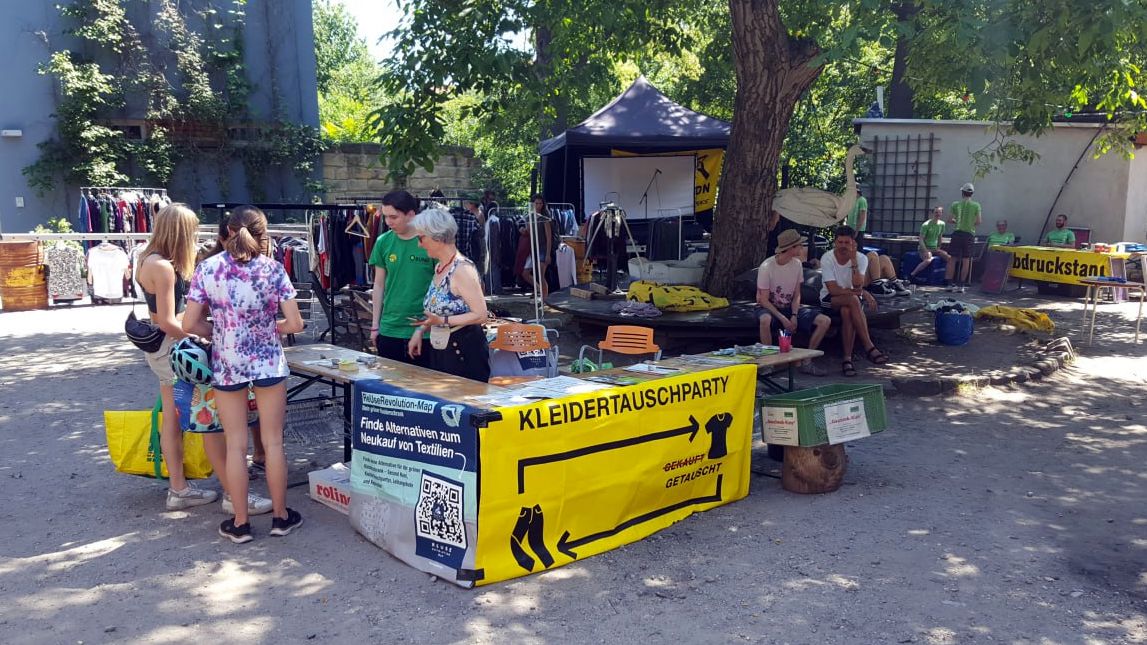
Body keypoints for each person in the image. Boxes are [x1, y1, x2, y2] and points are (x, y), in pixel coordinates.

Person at [183, 205, 305, 544]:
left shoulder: (208, 269)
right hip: (268, 363)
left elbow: (188, 323)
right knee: (273, 442)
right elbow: (295, 324)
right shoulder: (274, 269)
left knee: (235, 445)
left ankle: (240, 523)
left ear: (228, 231)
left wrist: (219, 330)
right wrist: (268, 328)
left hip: (227, 363)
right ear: (263, 235)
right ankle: (281, 517)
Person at [136, 203, 219, 511]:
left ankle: (179, 486)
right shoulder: (163, 267)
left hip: (161, 348)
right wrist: (204, 334)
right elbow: (168, 321)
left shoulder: (149, 258)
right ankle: (179, 490)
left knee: (171, 417)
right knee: (176, 418)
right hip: (170, 348)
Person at [407, 207, 491, 382]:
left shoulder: (462, 269)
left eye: (421, 238)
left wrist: (442, 322)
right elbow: (438, 312)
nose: (419, 244)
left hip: (463, 351)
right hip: (443, 348)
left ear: (437, 237)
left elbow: (481, 315)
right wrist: (421, 330)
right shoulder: (440, 267)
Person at [369, 190, 435, 365]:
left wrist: (429, 324)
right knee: (390, 387)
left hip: (424, 329)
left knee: (423, 387)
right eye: (385, 217)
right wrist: (375, 325)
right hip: (390, 327)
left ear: (411, 215)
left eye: (393, 217)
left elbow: (441, 285)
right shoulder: (383, 241)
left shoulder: (430, 242)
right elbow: (379, 285)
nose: (388, 222)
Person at [755, 229, 831, 376]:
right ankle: (769, 362)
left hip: (789, 306)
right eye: (799, 245)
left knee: (824, 321)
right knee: (765, 320)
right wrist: (783, 319)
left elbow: (797, 293)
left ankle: (807, 361)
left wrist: (794, 315)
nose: (802, 248)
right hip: (770, 307)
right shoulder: (767, 266)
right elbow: (763, 299)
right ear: (790, 248)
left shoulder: (797, 264)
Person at [820, 226, 888, 377]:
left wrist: (853, 261)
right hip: (829, 300)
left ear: (853, 243)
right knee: (852, 300)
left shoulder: (861, 258)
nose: (843, 246)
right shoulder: (827, 258)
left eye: (846, 242)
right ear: (835, 243)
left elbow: (858, 284)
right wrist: (861, 292)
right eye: (840, 242)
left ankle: (847, 359)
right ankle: (869, 346)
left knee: (847, 311)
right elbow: (833, 290)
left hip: (850, 300)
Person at [946, 182, 982, 292]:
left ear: (962, 192)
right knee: (966, 260)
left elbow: (949, 219)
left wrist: (957, 221)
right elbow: (979, 221)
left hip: (957, 233)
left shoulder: (955, 204)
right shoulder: (976, 205)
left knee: (952, 259)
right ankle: (961, 285)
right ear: (972, 194)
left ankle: (949, 284)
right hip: (969, 234)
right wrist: (970, 224)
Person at [518, 195, 555, 298]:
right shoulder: (529, 217)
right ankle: (539, 291)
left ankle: (545, 300)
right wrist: (523, 230)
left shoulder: (544, 219)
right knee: (525, 273)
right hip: (533, 248)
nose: (538, 205)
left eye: (540, 203)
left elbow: (549, 238)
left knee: (541, 275)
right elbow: (529, 233)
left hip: (543, 249)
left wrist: (548, 254)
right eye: (536, 203)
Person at [910, 207, 951, 282]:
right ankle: (912, 275)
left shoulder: (942, 224)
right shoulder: (926, 225)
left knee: (949, 258)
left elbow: (940, 236)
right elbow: (921, 239)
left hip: (935, 248)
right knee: (928, 259)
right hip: (925, 248)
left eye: (939, 212)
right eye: (936, 212)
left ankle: (947, 279)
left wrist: (939, 247)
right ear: (932, 213)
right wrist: (925, 250)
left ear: (941, 214)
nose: (937, 214)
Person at [455, 194, 486, 274]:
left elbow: (480, 234)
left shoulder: (478, 214)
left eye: (468, 203)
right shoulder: (471, 214)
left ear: (472, 204)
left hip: (473, 248)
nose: (466, 205)